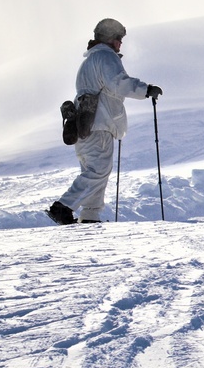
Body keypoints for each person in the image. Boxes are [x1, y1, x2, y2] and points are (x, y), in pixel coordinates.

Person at [47, 18, 162, 225]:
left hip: (86, 124)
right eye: (118, 38)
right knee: (98, 170)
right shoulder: (105, 58)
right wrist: (146, 90)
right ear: (110, 38)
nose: (120, 43)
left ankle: (90, 215)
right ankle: (63, 207)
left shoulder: (90, 60)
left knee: (96, 170)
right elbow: (118, 83)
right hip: (99, 124)